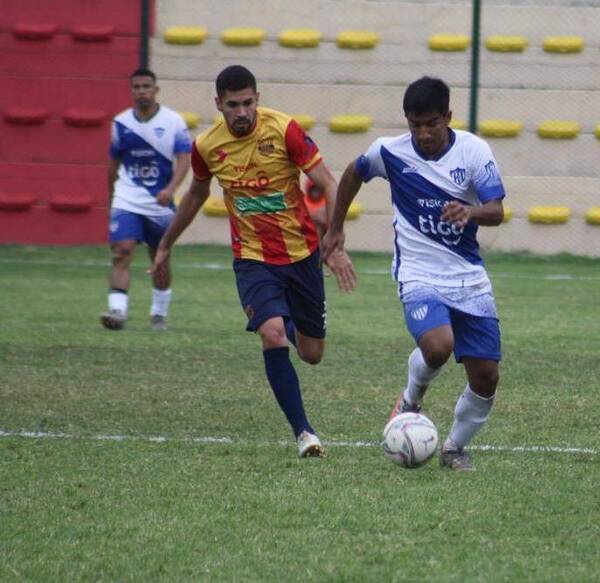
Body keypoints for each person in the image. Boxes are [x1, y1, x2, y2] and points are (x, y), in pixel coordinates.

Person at [150, 65, 356, 457]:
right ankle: (304, 433)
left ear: (257, 99)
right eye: (233, 105)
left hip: (301, 255)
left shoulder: (284, 130)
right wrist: (166, 244)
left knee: (311, 354)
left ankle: (287, 316)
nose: (241, 112)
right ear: (219, 105)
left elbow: (329, 183)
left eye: (247, 103)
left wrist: (334, 239)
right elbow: (195, 195)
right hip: (252, 258)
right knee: (272, 334)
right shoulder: (207, 146)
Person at [322, 76, 505, 471]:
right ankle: (410, 398)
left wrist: (469, 211)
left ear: (448, 117)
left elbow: (497, 210)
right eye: (414, 124)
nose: (422, 133)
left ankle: (454, 448)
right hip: (418, 273)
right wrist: (335, 228)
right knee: (438, 346)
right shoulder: (389, 152)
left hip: (468, 276)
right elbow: (353, 174)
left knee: (486, 377)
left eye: (431, 123)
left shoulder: (474, 152)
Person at [101, 67, 192, 331]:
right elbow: (113, 164)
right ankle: (117, 311)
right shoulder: (120, 123)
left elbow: (184, 159)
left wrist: (170, 190)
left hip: (159, 203)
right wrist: (112, 200)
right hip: (126, 198)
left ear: (156, 90)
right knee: (121, 252)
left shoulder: (174, 121)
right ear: (131, 91)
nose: (141, 91)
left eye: (146, 87)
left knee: (160, 258)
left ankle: (158, 314)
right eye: (136, 87)